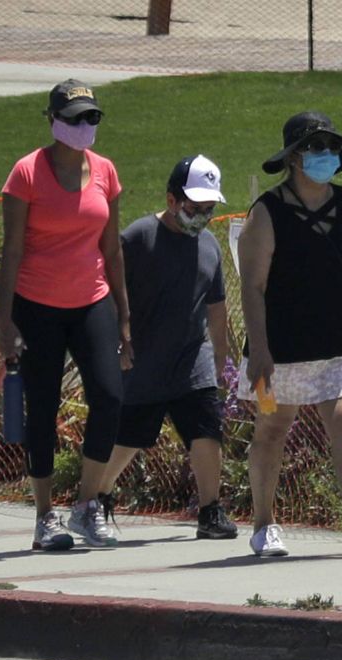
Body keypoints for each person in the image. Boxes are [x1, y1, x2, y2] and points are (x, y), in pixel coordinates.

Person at [237, 110, 342, 558]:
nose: (326, 155)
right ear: (294, 158)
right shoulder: (266, 213)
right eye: (316, 148)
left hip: (340, 340)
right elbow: (252, 286)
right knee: (272, 429)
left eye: (332, 148)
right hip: (280, 348)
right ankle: (264, 525)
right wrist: (258, 350)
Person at [0, 79, 131, 551]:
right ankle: (43, 516)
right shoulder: (26, 174)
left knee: (111, 397)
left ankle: (88, 504)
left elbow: (112, 249)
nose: (85, 126)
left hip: (92, 300)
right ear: (53, 121)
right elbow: (11, 252)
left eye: (92, 117)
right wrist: (5, 321)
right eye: (76, 118)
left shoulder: (105, 172)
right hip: (37, 305)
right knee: (43, 409)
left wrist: (124, 319)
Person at [101, 155, 238, 540]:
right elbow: (109, 292)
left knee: (206, 432)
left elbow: (216, 306)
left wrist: (220, 360)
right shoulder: (139, 237)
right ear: (172, 200)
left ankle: (210, 511)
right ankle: (98, 493)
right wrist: (116, 341)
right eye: (195, 208)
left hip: (192, 361)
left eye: (209, 209)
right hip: (142, 362)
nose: (202, 216)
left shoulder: (209, 245)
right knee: (130, 438)